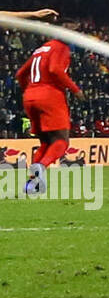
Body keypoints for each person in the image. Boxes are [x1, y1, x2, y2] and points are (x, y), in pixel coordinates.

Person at [16, 21, 85, 195]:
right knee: (62, 141)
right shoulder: (61, 47)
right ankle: (41, 167)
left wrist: (30, 91)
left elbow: (20, 74)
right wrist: (75, 90)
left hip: (31, 96)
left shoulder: (41, 49)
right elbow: (54, 69)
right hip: (50, 96)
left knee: (46, 142)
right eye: (71, 29)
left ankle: (33, 184)